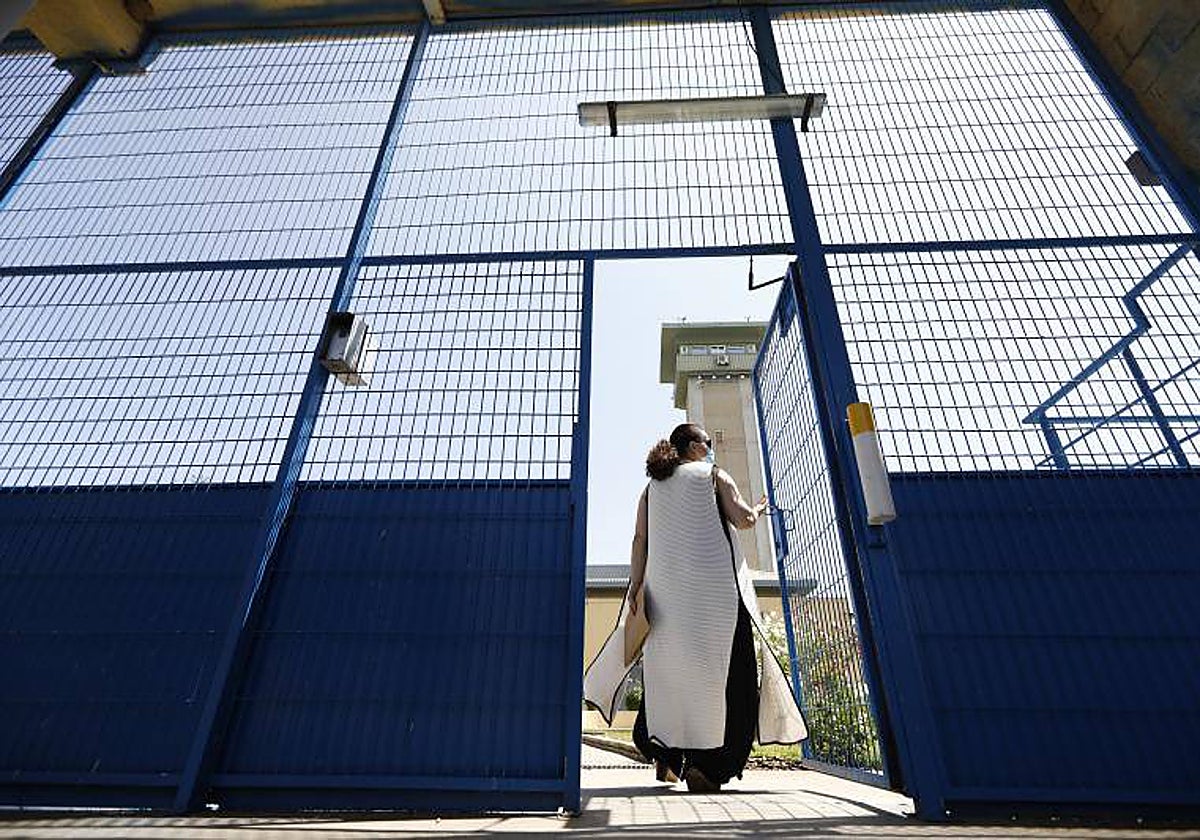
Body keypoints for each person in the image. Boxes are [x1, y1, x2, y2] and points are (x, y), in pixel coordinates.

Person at [584, 423, 806, 792]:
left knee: (669, 677)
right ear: (692, 447)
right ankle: (710, 767)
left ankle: (665, 755)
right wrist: (759, 509)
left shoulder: (651, 489)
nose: (711, 447)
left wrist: (636, 588)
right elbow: (743, 519)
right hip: (716, 599)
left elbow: (640, 539)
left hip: (665, 600)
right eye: (706, 441)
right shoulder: (714, 475)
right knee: (730, 680)